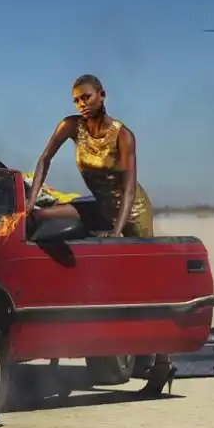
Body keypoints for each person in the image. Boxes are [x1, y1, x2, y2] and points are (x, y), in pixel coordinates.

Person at [25, 74, 176, 396]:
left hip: (131, 214)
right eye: (76, 99)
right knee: (43, 219)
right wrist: (29, 202)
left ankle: (163, 363)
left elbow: (129, 186)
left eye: (87, 97)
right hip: (100, 207)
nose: (81, 104)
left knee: (147, 286)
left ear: (102, 95)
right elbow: (44, 159)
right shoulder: (70, 126)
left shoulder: (123, 135)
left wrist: (118, 232)